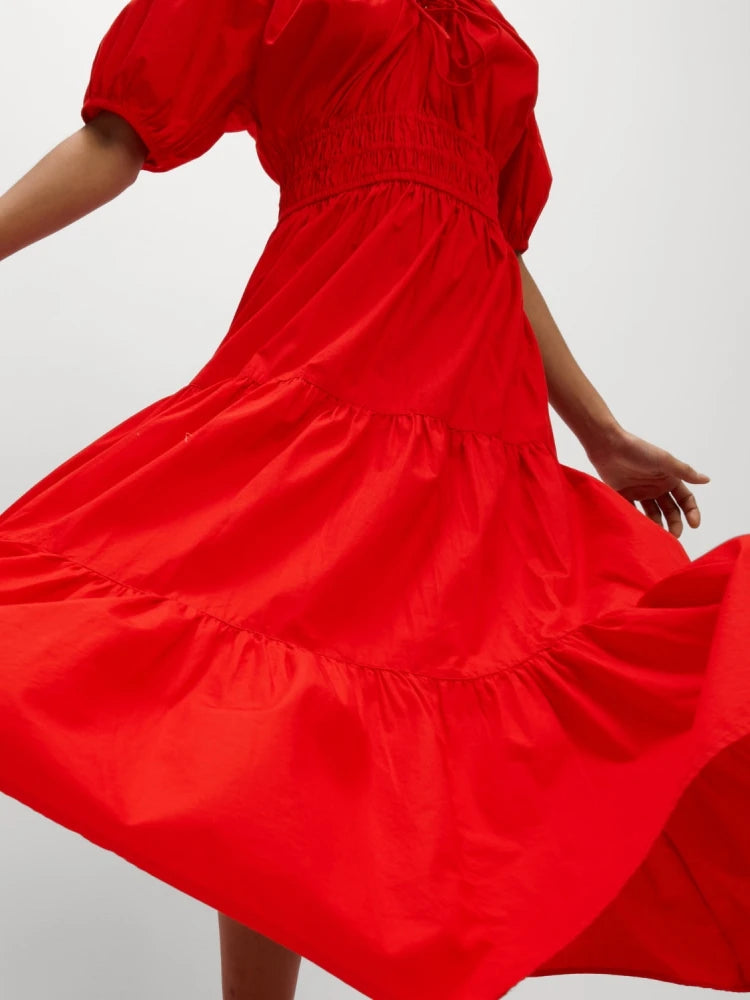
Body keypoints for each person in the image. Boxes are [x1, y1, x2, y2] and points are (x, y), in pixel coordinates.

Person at [2, 1, 748, 999]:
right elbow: (115, 139)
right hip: (331, 355)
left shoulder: (484, 35)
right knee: (271, 698)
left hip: (479, 413)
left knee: (489, 689)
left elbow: (492, 242)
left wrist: (599, 429)